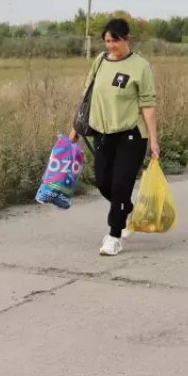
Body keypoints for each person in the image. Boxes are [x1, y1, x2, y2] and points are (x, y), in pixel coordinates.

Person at [68, 18, 159, 257]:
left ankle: (114, 236)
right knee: (103, 182)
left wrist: (154, 139)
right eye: (107, 41)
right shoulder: (100, 61)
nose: (111, 46)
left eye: (115, 41)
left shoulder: (141, 66)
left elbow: (148, 105)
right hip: (102, 133)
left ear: (127, 37)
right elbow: (86, 97)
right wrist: (75, 130)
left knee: (120, 185)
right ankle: (127, 208)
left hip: (131, 135)